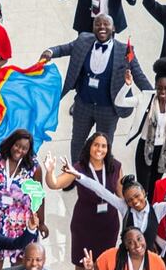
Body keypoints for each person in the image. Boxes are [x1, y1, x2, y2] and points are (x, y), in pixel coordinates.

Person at [40, 15, 151, 162]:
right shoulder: (83, 40)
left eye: (106, 24)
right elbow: (63, 49)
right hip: (83, 104)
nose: (102, 27)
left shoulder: (125, 50)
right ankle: (75, 173)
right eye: (98, 24)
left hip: (108, 110)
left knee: (103, 146)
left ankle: (99, 177)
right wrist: (50, 52)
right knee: (77, 142)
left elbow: (139, 76)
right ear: (93, 27)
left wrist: (154, 95)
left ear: (114, 28)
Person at [44, 133, 121, 270]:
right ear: (89, 147)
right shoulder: (79, 167)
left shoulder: (115, 166)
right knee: (82, 260)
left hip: (108, 223)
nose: (99, 149)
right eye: (96, 145)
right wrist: (49, 171)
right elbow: (54, 184)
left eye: (103, 146)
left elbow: (120, 191)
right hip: (84, 222)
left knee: (102, 261)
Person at [62, 166, 166, 255]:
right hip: (126, 257)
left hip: (148, 257)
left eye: (137, 196)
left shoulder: (158, 209)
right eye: (129, 200)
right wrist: (78, 175)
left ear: (144, 193)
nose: (135, 201)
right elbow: (100, 190)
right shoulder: (124, 208)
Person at [0, 129, 48, 267]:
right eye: (17, 145)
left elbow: (38, 198)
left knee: (19, 264)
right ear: (11, 143)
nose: (19, 150)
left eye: (24, 148)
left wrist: (41, 223)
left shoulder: (34, 168)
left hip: (21, 221)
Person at [117, 59, 166, 189]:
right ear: (155, 85)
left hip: (163, 150)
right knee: (142, 186)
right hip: (145, 147)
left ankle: (151, 209)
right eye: (159, 88)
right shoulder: (145, 97)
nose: (162, 92)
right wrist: (127, 86)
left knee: (155, 187)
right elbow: (119, 101)